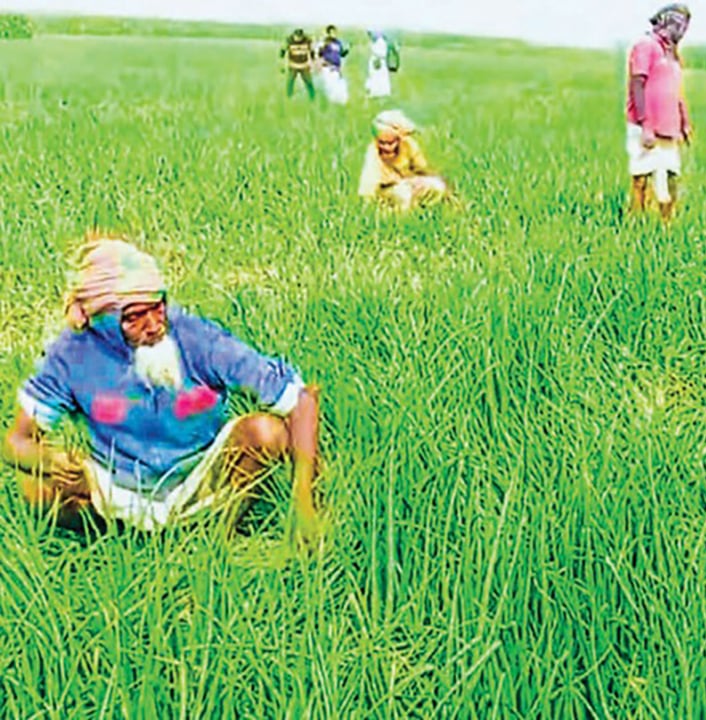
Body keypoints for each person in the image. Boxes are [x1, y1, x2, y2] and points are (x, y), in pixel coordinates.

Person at [1, 235, 322, 539]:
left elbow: (301, 399)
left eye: (158, 308)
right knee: (36, 486)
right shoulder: (72, 354)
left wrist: (304, 500)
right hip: (118, 485)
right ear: (100, 321)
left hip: (201, 476)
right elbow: (15, 441)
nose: (154, 326)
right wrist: (48, 460)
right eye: (135, 317)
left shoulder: (197, 338)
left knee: (266, 432)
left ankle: (215, 533)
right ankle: (123, 540)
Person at [625, 3, 693, 221]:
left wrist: (684, 122)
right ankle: (636, 221)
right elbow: (638, 83)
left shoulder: (672, 53)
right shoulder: (646, 46)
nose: (680, 30)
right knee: (641, 175)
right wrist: (645, 125)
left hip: (669, 127)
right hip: (646, 126)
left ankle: (667, 224)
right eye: (676, 24)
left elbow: (676, 91)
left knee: (672, 175)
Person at [357, 110, 449, 211]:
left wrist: (419, 180)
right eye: (382, 143)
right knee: (403, 194)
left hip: (409, 181)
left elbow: (422, 168)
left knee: (437, 186)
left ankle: (425, 210)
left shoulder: (408, 145)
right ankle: (400, 219)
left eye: (391, 143)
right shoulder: (373, 153)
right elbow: (368, 187)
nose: (387, 148)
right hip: (388, 190)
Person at [318, 25, 350, 105]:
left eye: (335, 32)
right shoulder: (325, 42)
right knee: (330, 86)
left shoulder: (338, 43)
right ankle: (330, 103)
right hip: (328, 67)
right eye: (332, 32)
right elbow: (319, 54)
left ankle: (339, 102)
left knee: (339, 85)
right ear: (328, 33)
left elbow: (341, 54)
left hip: (337, 67)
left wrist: (347, 50)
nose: (334, 34)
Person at [280, 28, 315, 101]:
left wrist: (312, 63)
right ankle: (288, 98)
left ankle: (312, 98)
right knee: (290, 82)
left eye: (300, 37)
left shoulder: (307, 41)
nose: (298, 39)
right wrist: (282, 66)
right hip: (293, 65)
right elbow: (282, 53)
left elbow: (312, 53)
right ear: (294, 35)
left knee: (309, 83)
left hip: (304, 65)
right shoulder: (289, 41)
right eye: (296, 37)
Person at [365, 30, 392, 99]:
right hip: (378, 59)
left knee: (378, 75)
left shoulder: (380, 41)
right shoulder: (381, 41)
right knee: (378, 75)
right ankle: (378, 91)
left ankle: (377, 92)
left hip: (378, 59)